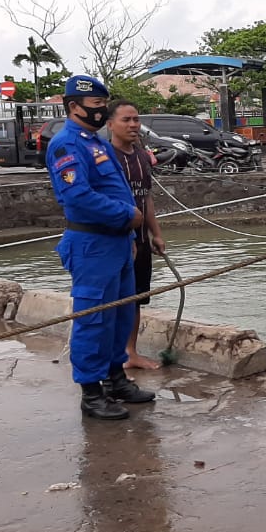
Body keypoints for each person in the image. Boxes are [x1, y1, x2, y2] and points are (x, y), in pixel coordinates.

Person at [46, 75, 155, 420]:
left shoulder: (96, 142)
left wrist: (128, 235)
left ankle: (115, 378)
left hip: (117, 242)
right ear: (73, 107)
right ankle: (91, 392)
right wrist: (127, 215)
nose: (100, 111)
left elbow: (114, 185)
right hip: (92, 243)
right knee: (93, 320)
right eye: (94, 106)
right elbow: (76, 196)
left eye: (102, 105)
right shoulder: (67, 145)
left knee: (120, 316)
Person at [105, 100, 168, 370]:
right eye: (126, 120)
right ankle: (111, 357)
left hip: (141, 241)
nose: (133, 125)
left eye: (136, 119)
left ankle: (131, 353)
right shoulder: (105, 158)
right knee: (111, 301)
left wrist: (157, 233)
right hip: (115, 243)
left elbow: (147, 198)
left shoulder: (142, 155)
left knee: (136, 298)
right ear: (110, 125)